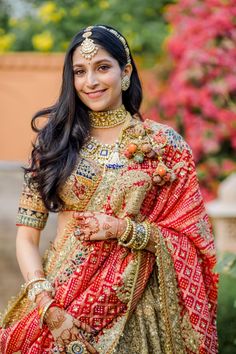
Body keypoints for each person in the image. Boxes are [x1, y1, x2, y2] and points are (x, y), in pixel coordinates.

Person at [0, 24, 218, 354]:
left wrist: (123, 230)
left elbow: (192, 239)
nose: (91, 81)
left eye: (102, 68)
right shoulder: (54, 144)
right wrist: (47, 305)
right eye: (80, 71)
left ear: (125, 71)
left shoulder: (163, 146)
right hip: (61, 304)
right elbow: (26, 237)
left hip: (140, 311)